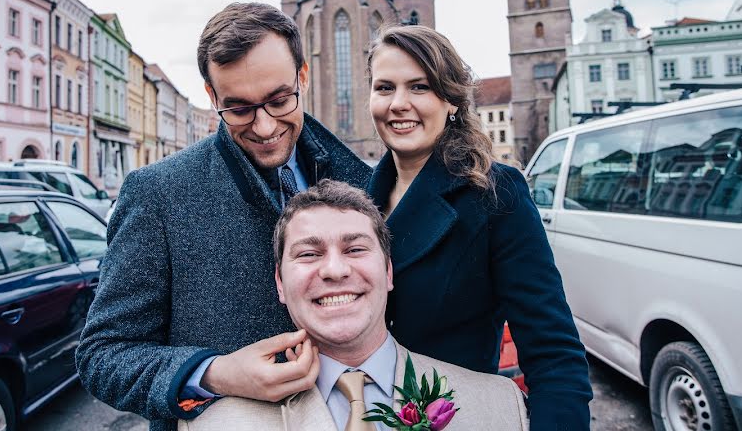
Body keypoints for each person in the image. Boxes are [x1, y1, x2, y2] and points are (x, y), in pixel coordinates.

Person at [76, 3, 371, 431]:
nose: (265, 126)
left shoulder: (365, 180)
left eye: (278, 100)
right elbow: (102, 356)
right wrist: (214, 373)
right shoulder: (158, 193)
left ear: (302, 77)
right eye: (239, 109)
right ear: (212, 97)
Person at [366, 25, 592, 429]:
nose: (399, 103)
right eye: (385, 88)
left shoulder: (494, 194)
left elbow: (553, 351)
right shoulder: (358, 200)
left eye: (419, 87)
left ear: (451, 100)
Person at [182, 180, 528, 431]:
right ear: (280, 284)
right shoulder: (214, 424)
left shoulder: (501, 407)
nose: (334, 270)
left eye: (355, 249)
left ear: (389, 271)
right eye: (308, 254)